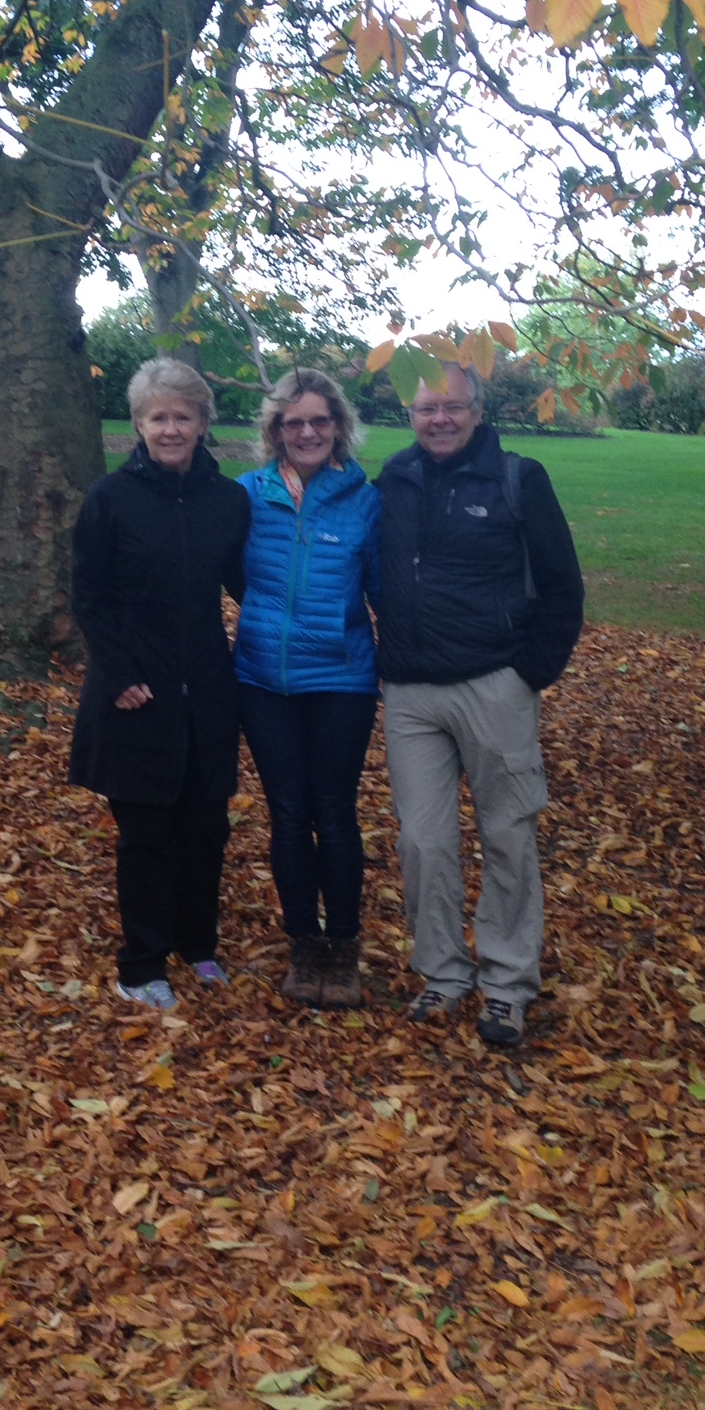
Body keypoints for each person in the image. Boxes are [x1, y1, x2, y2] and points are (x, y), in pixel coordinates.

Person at [375, 362, 584, 1048]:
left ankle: (507, 983)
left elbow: (562, 588)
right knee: (423, 840)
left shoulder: (518, 479)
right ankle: (442, 971)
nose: (439, 419)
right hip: (411, 694)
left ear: (477, 411)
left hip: (494, 685)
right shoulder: (393, 481)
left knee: (508, 835)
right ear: (410, 415)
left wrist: (529, 675)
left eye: (453, 407)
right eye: (426, 408)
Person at [68, 357, 250, 1012]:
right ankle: (141, 963)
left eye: (183, 417)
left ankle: (197, 945)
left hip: (207, 688)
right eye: (157, 418)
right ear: (139, 425)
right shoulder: (110, 499)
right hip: (134, 690)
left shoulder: (228, 502)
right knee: (146, 834)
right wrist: (119, 674)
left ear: (202, 424)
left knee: (206, 827)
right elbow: (88, 595)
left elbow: (246, 585)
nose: (170, 429)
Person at [235, 367, 381, 1009]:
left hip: (342, 680)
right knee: (289, 815)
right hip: (263, 680)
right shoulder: (247, 495)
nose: (307, 432)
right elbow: (222, 570)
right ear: (275, 430)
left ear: (339, 426)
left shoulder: (365, 500)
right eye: (293, 422)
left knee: (335, 813)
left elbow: (385, 589)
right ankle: (305, 944)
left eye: (320, 420)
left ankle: (343, 948)